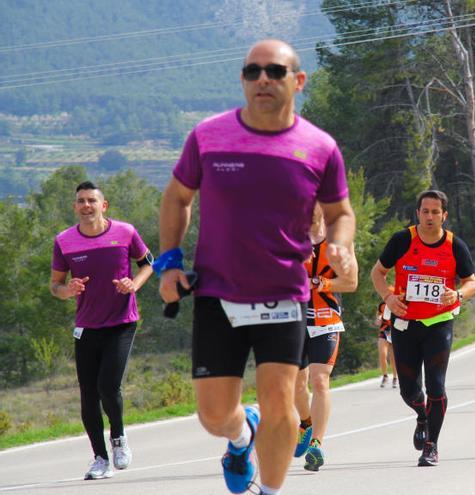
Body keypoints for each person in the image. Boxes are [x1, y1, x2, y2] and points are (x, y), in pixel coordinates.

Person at [158, 39, 356, 495]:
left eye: (274, 71)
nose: (262, 79)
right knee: (212, 414)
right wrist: (169, 262)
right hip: (217, 293)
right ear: (243, 80)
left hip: (283, 292)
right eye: (252, 72)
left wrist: (342, 245)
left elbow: (341, 212)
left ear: (298, 81)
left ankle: (269, 490)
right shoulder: (209, 136)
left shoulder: (319, 147)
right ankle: (241, 435)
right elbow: (177, 197)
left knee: (281, 400)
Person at [50, 181, 153, 481]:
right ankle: (99, 458)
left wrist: (134, 284)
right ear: (75, 207)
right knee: (87, 394)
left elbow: (147, 263)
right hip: (86, 326)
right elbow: (55, 285)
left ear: (103, 205)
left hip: (122, 322)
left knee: (108, 385)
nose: (86, 206)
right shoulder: (64, 241)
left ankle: (118, 438)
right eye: (81, 201)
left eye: (92, 200)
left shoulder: (125, 232)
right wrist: (66, 291)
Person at [370, 190, 475, 467]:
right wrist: (389, 298)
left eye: (435, 211)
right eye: (425, 211)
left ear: (444, 215)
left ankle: (431, 445)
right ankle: (422, 415)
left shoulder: (455, 245)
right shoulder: (402, 240)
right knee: (408, 390)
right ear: (418, 213)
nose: (430, 216)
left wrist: (459, 295)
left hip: (439, 323)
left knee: (436, 385)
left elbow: (471, 282)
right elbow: (377, 273)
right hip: (405, 323)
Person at [292, 205, 358, 472]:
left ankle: (316, 444)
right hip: (294, 319)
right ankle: (306, 423)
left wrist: (322, 284)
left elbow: (351, 282)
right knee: (296, 385)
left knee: (320, 381)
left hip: (325, 319)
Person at [375, 302, 397, 388]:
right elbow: (378, 320)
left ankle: (395, 378)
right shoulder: (382, 306)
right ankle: (385, 376)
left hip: (394, 333)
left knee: (393, 357)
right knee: (382, 354)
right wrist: (378, 319)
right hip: (384, 333)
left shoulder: (396, 304)